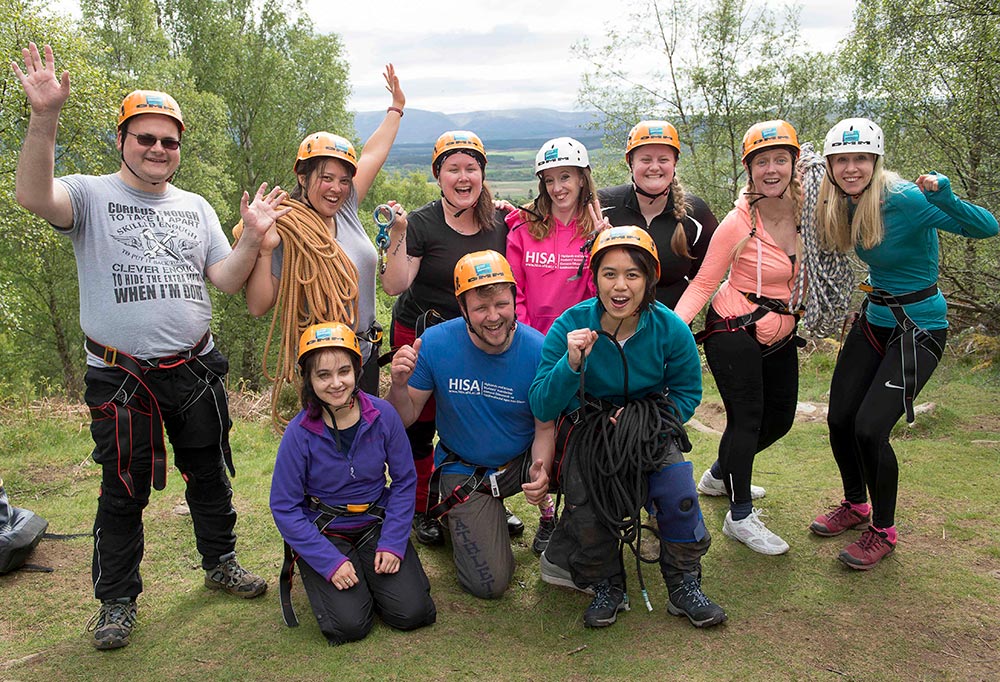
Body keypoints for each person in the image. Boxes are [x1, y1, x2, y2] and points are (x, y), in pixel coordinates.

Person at [12, 43, 276, 650]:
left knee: (209, 473)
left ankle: (220, 563)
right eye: (145, 138)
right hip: (120, 376)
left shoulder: (197, 207)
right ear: (123, 141)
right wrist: (45, 115)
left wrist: (255, 240)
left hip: (196, 369)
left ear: (179, 148)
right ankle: (116, 603)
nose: (158, 149)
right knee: (122, 488)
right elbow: (33, 194)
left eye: (169, 141)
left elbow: (228, 279)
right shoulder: (87, 195)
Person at [810, 117, 998, 569]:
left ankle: (884, 530)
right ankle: (856, 506)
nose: (851, 167)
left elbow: (987, 227)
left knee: (870, 428)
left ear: (875, 161)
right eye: (842, 160)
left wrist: (946, 198)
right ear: (831, 165)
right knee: (839, 419)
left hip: (919, 328)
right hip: (875, 320)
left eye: (860, 159)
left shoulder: (907, 200)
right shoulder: (839, 203)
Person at [530, 226, 727, 629]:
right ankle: (606, 582)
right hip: (591, 431)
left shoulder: (669, 327)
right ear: (595, 277)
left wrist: (652, 422)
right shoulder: (571, 325)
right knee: (586, 499)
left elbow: (688, 390)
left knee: (679, 493)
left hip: (651, 426)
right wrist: (571, 364)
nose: (620, 286)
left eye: (632, 275)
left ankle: (683, 582)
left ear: (649, 279)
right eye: (609, 274)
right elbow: (542, 403)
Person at [380, 131, 521, 547]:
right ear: (438, 175)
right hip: (423, 333)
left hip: (478, 334)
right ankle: (421, 506)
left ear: (482, 174)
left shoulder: (498, 221)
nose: (463, 178)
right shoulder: (421, 223)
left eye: (471, 168)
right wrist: (399, 233)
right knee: (420, 427)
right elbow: (395, 284)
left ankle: (486, 497)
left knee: (480, 418)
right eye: (453, 168)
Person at [387, 251, 553, 599]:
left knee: (584, 447)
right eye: (481, 308)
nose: (493, 317)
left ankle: (573, 539)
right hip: (465, 470)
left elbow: (544, 426)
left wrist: (542, 470)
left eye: (502, 304)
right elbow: (405, 416)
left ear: (513, 299)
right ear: (462, 308)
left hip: (520, 461)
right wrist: (399, 385)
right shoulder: (435, 344)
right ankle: (462, 516)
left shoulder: (539, 350)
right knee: (488, 585)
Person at [675, 120, 806, 556]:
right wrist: (670, 334)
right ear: (749, 169)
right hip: (733, 328)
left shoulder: (811, 217)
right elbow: (703, 282)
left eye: (780, 160)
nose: (771, 169)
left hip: (782, 332)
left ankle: (718, 474)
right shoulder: (738, 222)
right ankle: (740, 515)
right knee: (747, 420)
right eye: (761, 161)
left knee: (780, 419)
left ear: (794, 164)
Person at [244, 65, 405, 406]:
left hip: (364, 352)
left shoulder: (344, 207)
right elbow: (258, 305)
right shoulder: (286, 227)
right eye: (325, 178)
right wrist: (262, 250)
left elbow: (372, 155)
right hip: (323, 364)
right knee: (326, 452)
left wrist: (396, 109)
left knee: (365, 448)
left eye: (344, 180)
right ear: (302, 177)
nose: (336, 188)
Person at [270, 322, 436, 644]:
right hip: (326, 528)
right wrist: (328, 562)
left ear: (357, 370)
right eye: (323, 375)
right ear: (309, 379)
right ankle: (340, 575)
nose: (335, 383)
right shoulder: (299, 433)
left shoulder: (384, 416)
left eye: (344, 371)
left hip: (375, 521)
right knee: (350, 626)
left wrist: (392, 542)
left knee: (412, 613)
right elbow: (285, 506)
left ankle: (373, 576)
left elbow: (404, 481)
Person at [504, 136, 600, 554]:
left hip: (582, 348)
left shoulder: (596, 229)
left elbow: (602, 296)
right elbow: (514, 288)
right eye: (550, 179)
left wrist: (600, 243)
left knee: (576, 433)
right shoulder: (523, 230)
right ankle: (545, 513)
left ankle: (582, 509)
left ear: (582, 178)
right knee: (535, 429)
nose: (558, 187)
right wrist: (532, 342)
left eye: (566, 177)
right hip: (532, 345)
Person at [598, 120, 719, 309]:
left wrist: (675, 324)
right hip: (613, 327)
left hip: (672, 326)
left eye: (663, 160)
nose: (654, 167)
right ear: (630, 162)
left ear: (674, 163)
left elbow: (703, 279)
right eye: (646, 160)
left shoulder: (696, 214)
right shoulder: (605, 205)